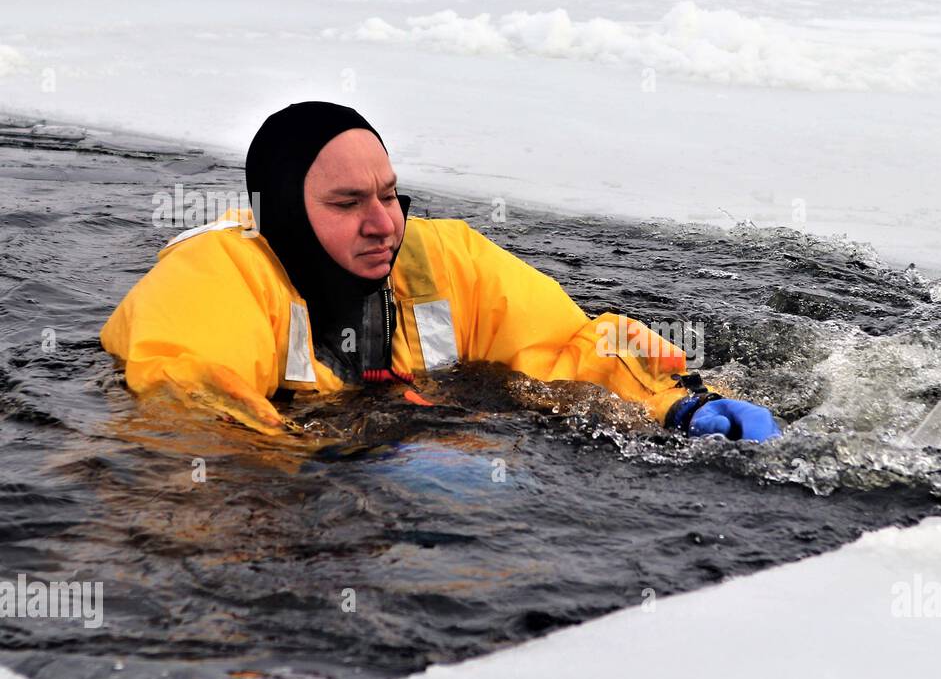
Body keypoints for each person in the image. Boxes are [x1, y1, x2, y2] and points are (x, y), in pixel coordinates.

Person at [100, 102, 780, 441]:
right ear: (282, 212)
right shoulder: (213, 280)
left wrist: (677, 405)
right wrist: (332, 477)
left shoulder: (440, 259)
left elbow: (567, 347)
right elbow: (189, 413)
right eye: (347, 203)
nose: (383, 223)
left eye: (389, 194)